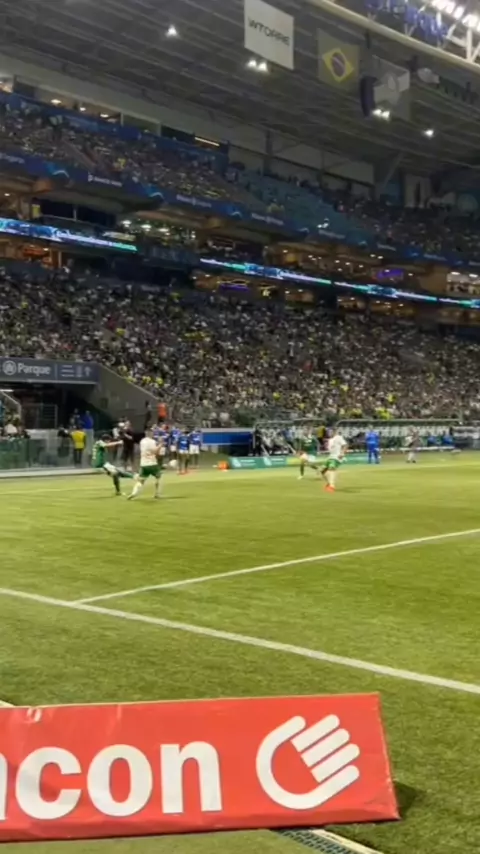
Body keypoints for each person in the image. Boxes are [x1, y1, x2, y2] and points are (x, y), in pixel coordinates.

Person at [128, 428, 163, 500]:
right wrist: (160, 445)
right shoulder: (152, 441)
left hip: (143, 464)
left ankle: (134, 493)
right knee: (158, 477)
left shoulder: (142, 441)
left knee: (141, 481)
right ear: (150, 433)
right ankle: (157, 494)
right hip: (152, 463)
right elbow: (155, 452)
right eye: (152, 433)